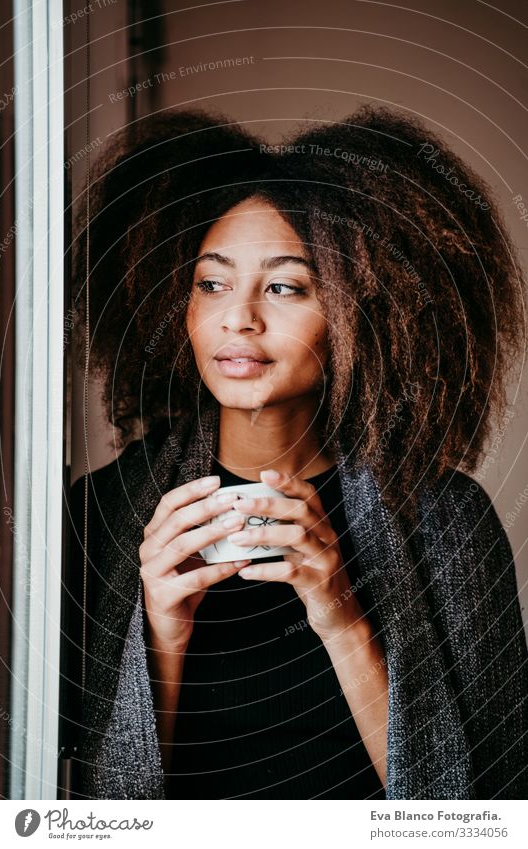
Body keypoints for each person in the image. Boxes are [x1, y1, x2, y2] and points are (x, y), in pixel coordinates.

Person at [67, 106, 528, 800]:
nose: (238, 317)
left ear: (358, 311)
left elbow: (487, 806)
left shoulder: (449, 520)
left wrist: (340, 614)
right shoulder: (99, 513)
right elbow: (83, 798)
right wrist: (160, 626)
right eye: (211, 282)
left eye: (284, 286)